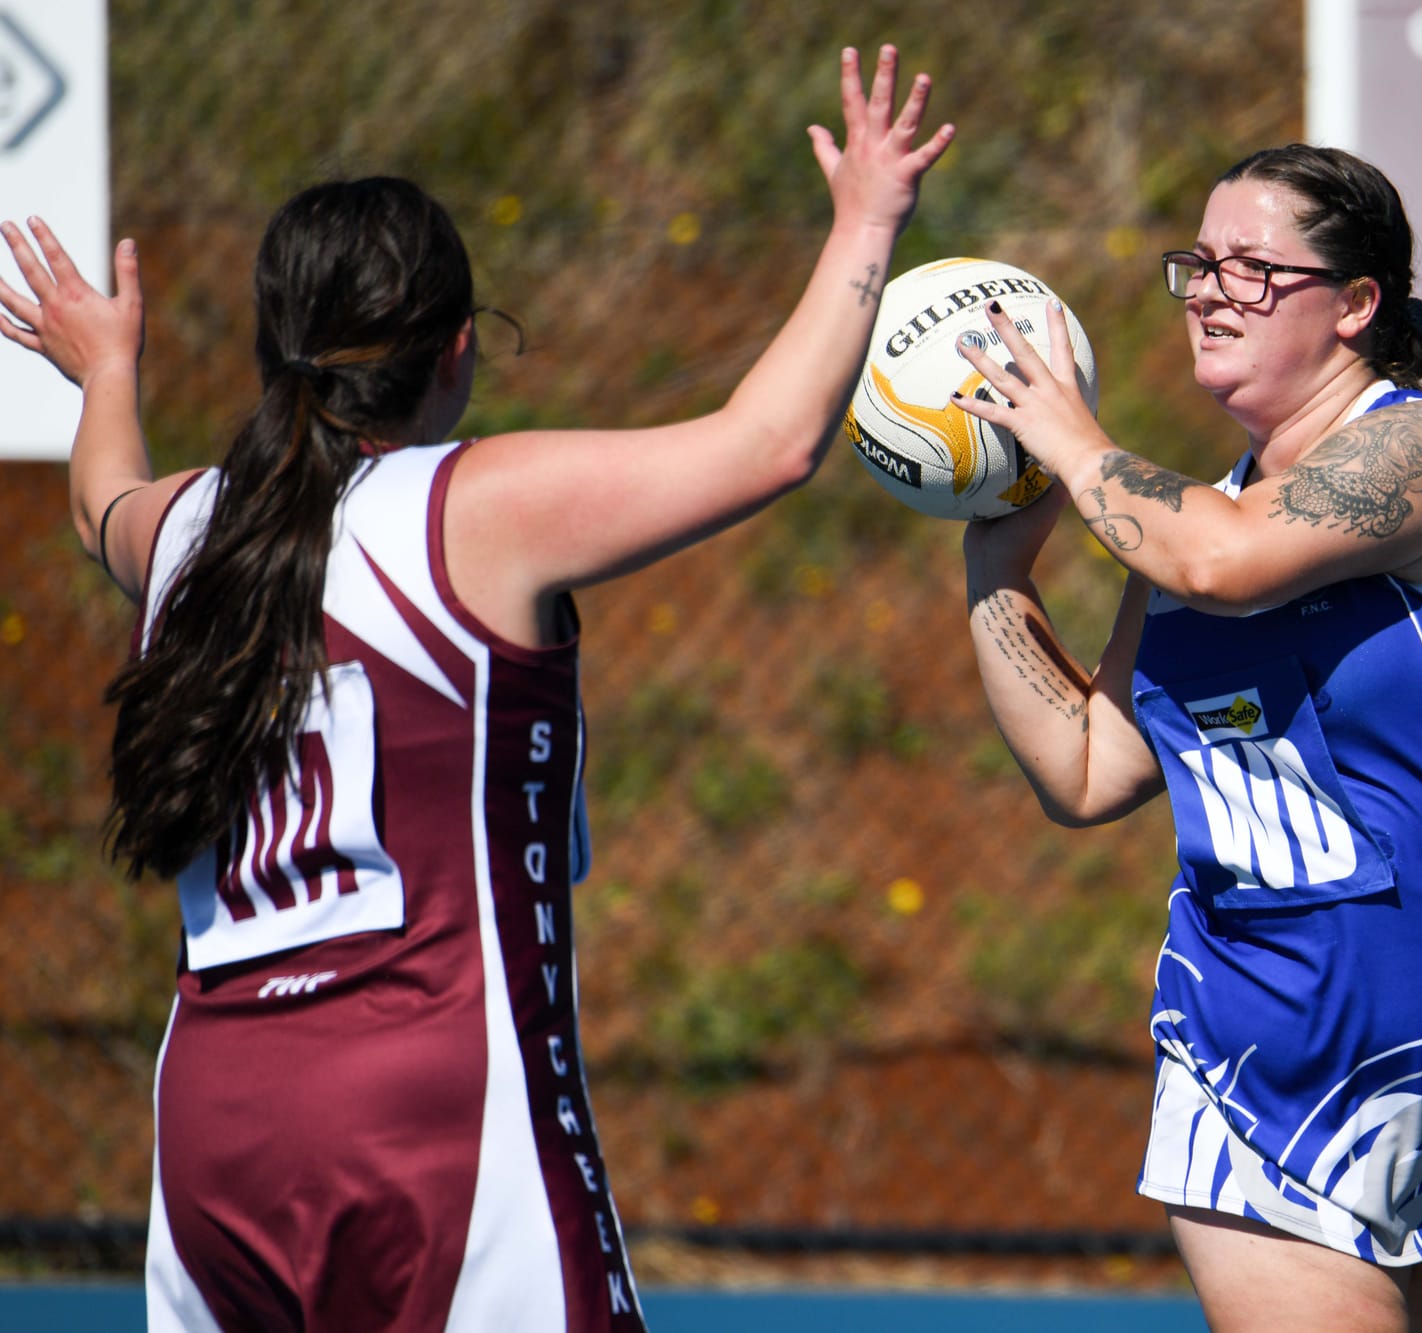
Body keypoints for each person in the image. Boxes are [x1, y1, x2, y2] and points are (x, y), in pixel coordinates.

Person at [0, 46, 951, 1333]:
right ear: (454, 352)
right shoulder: (472, 511)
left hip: (213, 1129)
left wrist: (106, 366)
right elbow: (767, 443)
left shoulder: (184, 532)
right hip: (428, 1115)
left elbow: (96, 495)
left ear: (282, 357)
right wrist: (863, 224)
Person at [948, 144, 1422, 1331]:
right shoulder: (1189, 522)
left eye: (1254, 267)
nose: (1211, 290)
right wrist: (992, 565)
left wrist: (1072, 440)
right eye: (1198, 265)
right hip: (1254, 1033)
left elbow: (1226, 565)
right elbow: (1086, 767)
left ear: (1355, 305)